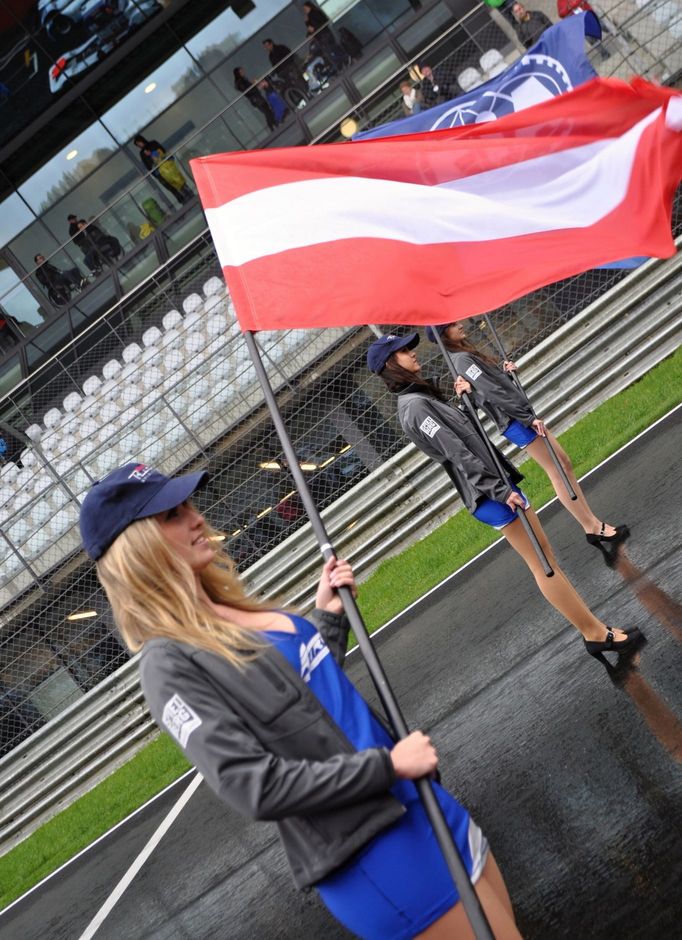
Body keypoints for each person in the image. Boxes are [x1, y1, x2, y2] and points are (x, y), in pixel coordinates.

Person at [80, 463, 522, 939]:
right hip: (377, 850)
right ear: (136, 548)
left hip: (423, 804)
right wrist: (387, 767)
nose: (195, 519)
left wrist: (326, 620)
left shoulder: (231, 611)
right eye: (171, 514)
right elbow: (254, 785)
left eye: (188, 504)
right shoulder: (166, 665)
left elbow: (307, 707)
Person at [367, 333, 640, 661]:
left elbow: (465, 438)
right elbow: (456, 452)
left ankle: (595, 630)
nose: (413, 354)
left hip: (493, 487)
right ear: (389, 364)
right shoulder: (414, 407)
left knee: (545, 560)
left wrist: (464, 402)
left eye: (410, 348)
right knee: (544, 564)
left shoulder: (420, 399)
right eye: (403, 352)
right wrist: (500, 490)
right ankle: (595, 634)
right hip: (490, 494)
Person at [427, 322, 629, 563]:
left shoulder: (465, 355)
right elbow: (491, 393)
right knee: (557, 469)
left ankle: (593, 525)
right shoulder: (460, 360)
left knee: (563, 464)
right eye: (451, 325)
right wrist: (526, 418)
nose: (460, 324)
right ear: (443, 335)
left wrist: (505, 373)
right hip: (516, 421)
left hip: (519, 417)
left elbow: (491, 385)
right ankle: (592, 527)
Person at [133, 135, 193, 205]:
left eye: (139, 143)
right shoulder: (142, 153)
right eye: (137, 144)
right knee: (171, 187)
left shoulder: (152, 144)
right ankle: (183, 200)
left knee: (178, 181)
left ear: (142, 140)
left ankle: (189, 195)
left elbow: (162, 152)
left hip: (167, 167)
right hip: (159, 173)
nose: (139, 145)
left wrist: (151, 154)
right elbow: (148, 166)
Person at [233, 67, 276, 131]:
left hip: (256, 98)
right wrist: (256, 86)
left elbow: (249, 89)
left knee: (267, 111)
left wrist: (254, 84)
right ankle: (272, 126)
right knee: (267, 111)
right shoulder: (241, 82)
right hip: (256, 99)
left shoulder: (242, 80)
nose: (243, 72)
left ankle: (273, 125)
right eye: (241, 71)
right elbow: (249, 90)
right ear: (238, 73)